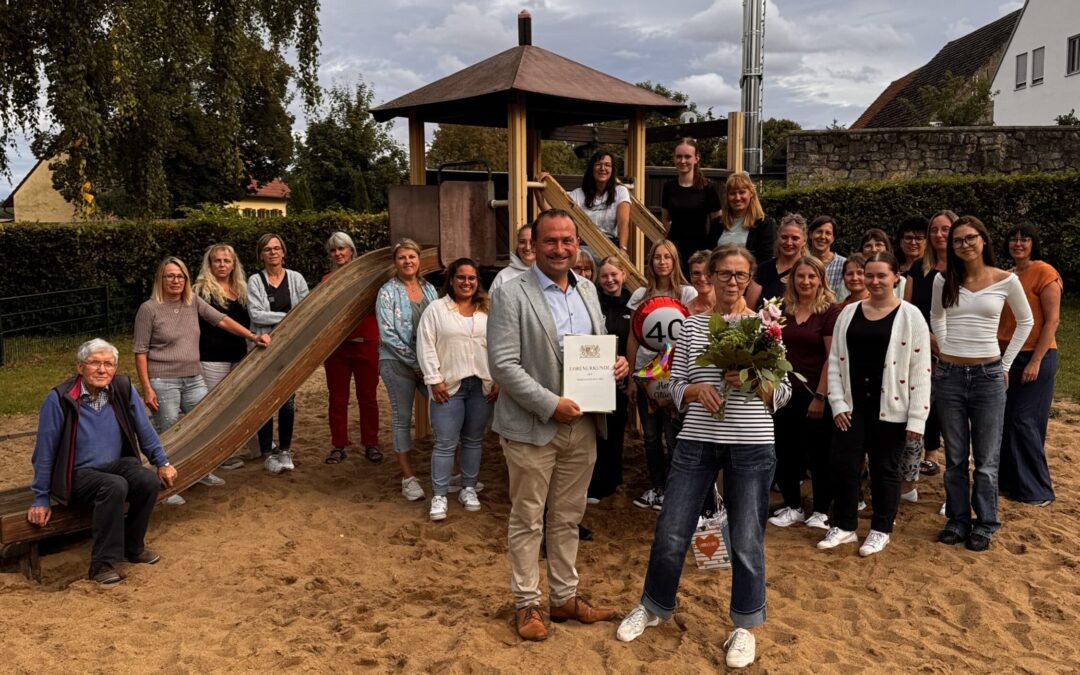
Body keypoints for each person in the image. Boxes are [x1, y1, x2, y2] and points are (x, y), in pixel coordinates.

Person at [617, 245, 791, 670]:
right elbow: (670, 386)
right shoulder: (692, 328)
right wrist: (694, 391)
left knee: (747, 539)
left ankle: (745, 626)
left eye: (740, 275)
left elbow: (783, 395)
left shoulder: (766, 330)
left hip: (751, 443)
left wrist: (754, 381)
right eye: (724, 274)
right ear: (708, 277)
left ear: (749, 280)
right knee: (672, 529)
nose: (732, 282)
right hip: (697, 440)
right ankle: (655, 606)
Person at [487, 208, 629, 642]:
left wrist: (615, 365)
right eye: (551, 241)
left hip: (583, 425)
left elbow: (594, 350)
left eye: (568, 241)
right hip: (533, 425)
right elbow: (503, 365)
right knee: (528, 518)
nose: (560, 249)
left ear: (578, 243)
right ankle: (527, 602)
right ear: (535, 243)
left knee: (568, 516)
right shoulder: (511, 294)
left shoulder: (587, 290)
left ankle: (564, 597)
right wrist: (550, 405)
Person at [28, 339, 178, 584]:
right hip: (75, 474)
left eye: (108, 364)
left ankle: (133, 548)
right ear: (80, 367)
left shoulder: (122, 388)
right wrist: (41, 498)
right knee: (114, 485)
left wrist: (162, 462)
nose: (102, 370)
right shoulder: (59, 399)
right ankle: (102, 565)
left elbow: (145, 428)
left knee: (147, 480)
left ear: (115, 368)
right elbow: (44, 452)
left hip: (114, 465)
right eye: (94, 363)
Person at [931, 216, 1033, 552]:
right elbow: (937, 317)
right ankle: (958, 520)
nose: (963, 245)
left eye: (969, 238)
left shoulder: (1006, 280)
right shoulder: (944, 279)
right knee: (956, 457)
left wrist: (1004, 364)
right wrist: (946, 349)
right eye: (957, 240)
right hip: (950, 376)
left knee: (987, 460)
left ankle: (986, 523)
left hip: (988, 376)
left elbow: (1026, 321)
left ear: (983, 240)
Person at [823, 252, 931, 555]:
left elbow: (920, 370)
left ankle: (881, 528)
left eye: (881, 275)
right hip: (852, 408)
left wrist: (917, 419)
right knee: (843, 466)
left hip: (891, 409)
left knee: (885, 470)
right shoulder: (849, 312)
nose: (874, 281)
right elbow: (835, 362)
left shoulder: (910, 316)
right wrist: (838, 403)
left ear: (895, 276)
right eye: (869, 275)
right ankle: (844, 526)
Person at [135, 256, 269, 496]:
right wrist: (147, 388)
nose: (175, 280)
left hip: (193, 377)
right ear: (161, 279)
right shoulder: (149, 309)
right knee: (169, 431)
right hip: (163, 379)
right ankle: (167, 487)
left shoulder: (192, 302)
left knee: (205, 424)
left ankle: (202, 472)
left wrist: (252, 336)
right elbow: (141, 351)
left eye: (180, 276)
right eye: (170, 276)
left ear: (186, 279)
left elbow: (222, 320)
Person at [417, 258, 497, 521]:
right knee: (445, 442)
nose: (466, 283)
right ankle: (439, 495)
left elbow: (499, 345)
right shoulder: (437, 310)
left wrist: (497, 377)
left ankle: (469, 488)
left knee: (474, 440)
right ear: (451, 280)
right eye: (461, 277)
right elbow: (426, 344)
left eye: (471, 278)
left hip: (481, 385)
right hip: (449, 385)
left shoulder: (488, 311)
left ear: (477, 282)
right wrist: (434, 379)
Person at [767, 256, 841, 530]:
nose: (806, 281)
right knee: (786, 451)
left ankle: (821, 509)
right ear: (792, 279)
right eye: (801, 276)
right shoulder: (780, 309)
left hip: (815, 392)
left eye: (812, 276)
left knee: (819, 454)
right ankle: (793, 506)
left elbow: (831, 357)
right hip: (784, 393)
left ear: (821, 279)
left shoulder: (829, 311)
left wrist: (820, 396)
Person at [626, 239, 697, 510]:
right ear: (651, 261)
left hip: (677, 376)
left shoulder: (687, 294)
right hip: (647, 375)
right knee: (651, 435)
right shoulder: (640, 294)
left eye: (668, 256)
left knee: (674, 433)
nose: (662, 261)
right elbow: (633, 338)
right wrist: (632, 377)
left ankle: (675, 489)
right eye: (657, 257)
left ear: (675, 260)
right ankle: (657, 486)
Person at [997, 224, 1061, 506]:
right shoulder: (1007, 275)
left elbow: (1052, 321)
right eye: (1013, 239)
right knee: (1006, 421)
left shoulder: (1045, 272)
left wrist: (1035, 361)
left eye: (1025, 239)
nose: (1019, 243)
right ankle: (1010, 483)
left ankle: (1037, 490)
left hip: (1037, 354)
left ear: (1034, 243)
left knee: (1025, 421)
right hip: (1007, 355)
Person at [377, 238, 439, 502]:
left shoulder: (430, 289)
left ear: (419, 260)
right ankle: (408, 478)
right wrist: (416, 364)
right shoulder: (387, 292)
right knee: (402, 418)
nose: (407, 261)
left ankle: (451, 472)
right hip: (396, 363)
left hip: (427, 366)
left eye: (412, 257)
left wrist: (428, 364)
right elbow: (388, 334)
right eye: (402, 257)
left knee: (444, 412)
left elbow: (439, 324)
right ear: (395, 262)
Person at [248, 234, 309, 475]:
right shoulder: (255, 281)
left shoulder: (296, 279)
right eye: (267, 249)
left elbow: (306, 310)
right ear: (260, 255)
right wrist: (289, 318)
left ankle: (284, 449)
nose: (272, 253)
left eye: (276, 248)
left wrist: (290, 318)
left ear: (283, 252)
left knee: (287, 401)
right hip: (263, 349)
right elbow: (256, 315)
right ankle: (267, 452)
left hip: (289, 349)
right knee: (263, 401)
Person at [322, 232, 382, 465]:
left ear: (351, 251)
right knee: (337, 398)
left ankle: (371, 442)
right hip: (337, 348)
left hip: (366, 343)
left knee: (368, 397)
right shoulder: (328, 280)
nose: (338, 253)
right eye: (334, 250)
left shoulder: (368, 278)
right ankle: (338, 445)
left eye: (342, 249)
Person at [904, 210, 956, 474]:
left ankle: (939, 455)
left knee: (951, 408)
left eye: (945, 229)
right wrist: (927, 339)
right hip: (923, 343)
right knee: (923, 399)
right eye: (934, 230)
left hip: (957, 347)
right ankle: (919, 461)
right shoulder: (917, 268)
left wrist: (945, 341)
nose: (938, 235)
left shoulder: (965, 269)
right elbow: (909, 308)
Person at [193, 244, 254, 471]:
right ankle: (217, 453)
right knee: (215, 406)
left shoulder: (241, 289)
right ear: (209, 264)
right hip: (212, 356)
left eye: (226, 261)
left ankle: (247, 446)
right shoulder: (201, 291)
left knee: (238, 403)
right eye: (217, 261)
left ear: (233, 264)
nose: (222, 265)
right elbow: (219, 321)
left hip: (238, 354)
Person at [590, 256, 633, 503]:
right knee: (596, 432)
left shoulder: (633, 304)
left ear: (623, 275)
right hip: (594, 378)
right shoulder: (592, 302)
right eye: (604, 275)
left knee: (616, 431)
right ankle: (595, 482)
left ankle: (612, 480)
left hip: (621, 377)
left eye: (614, 274)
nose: (609, 280)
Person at [661, 138, 722, 275]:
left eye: (687, 156)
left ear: (696, 158)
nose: (682, 161)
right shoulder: (668, 187)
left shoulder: (708, 188)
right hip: (674, 250)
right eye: (679, 156)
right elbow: (665, 218)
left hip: (700, 252)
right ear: (674, 158)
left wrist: (710, 249)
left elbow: (717, 221)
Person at [567, 151, 631, 250]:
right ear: (591, 169)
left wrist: (623, 249)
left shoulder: (621, 191)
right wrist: (539, 193)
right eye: (598, 165)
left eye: (607, 165)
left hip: (609, 246)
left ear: (612, 170)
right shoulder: (577, 194)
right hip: (583, 246)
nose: (603, 168)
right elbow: (556, 214)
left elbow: (623, 223)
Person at [745, 213, 807, 310]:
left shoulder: (809, 271)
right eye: (784, 237)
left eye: (795, 238)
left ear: (804, 241)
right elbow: (748, 310)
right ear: (777, 238)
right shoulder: (762, 270)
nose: (789, 243)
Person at [714, 172, 774, 265]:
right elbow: (710, 255)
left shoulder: (763, 224)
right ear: (727, 196)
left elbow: (765, 260)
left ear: (751, 193)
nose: (737, 198)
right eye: (732, 193)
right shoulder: (718, 223)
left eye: (742, 192)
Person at [808, 215, 847, 302]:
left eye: (828, 233)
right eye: (819, 231)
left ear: (833, 238)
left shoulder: (844, 265)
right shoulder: (802, 264)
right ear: (810, 234)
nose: (822, 237)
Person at [491, 224, 535, 292]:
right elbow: (491, 302)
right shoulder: (503, 276)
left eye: (532, 242)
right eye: (522, 242)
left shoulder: (549, 274)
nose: (527, 247)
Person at [686, 249, 717, 316]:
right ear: (690, 276)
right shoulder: (686, 311)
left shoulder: (732, 304)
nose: (702, 279)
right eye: (696, 273)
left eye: (707, 273)